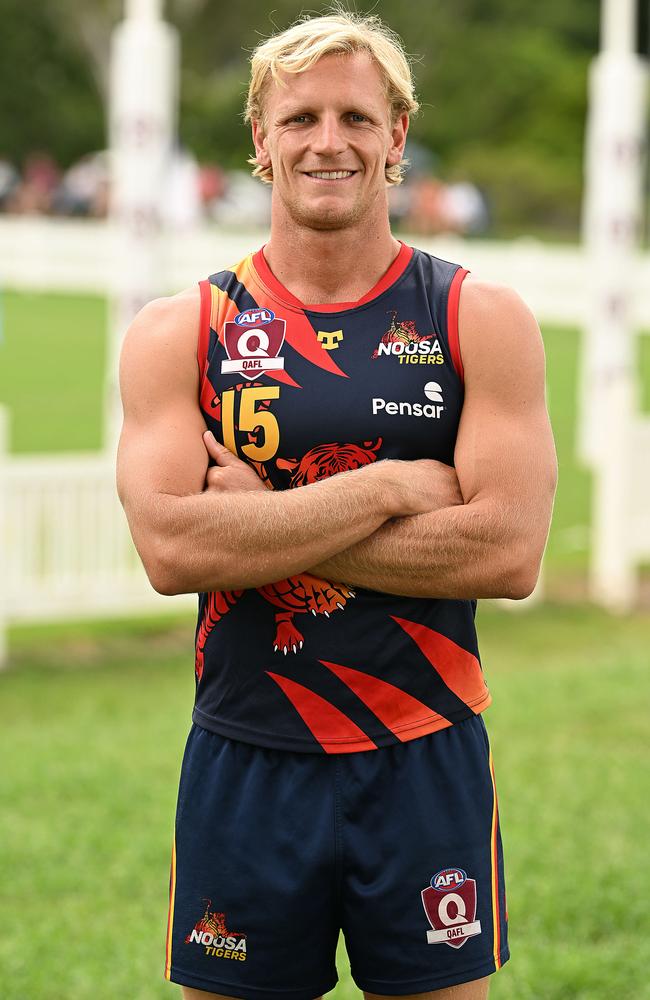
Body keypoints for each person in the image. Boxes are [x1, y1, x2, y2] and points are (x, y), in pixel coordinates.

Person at [117, 11, 557, 1000]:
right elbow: (170, 548)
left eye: (355, 117)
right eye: (299, 117)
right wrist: (391, 486)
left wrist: (257, 522)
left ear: (395, 135)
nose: (326, 140)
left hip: (423, 754)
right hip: (245, 755)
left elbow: (506, 553)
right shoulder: (182, 329)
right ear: (260, 138)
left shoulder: (473, 318)